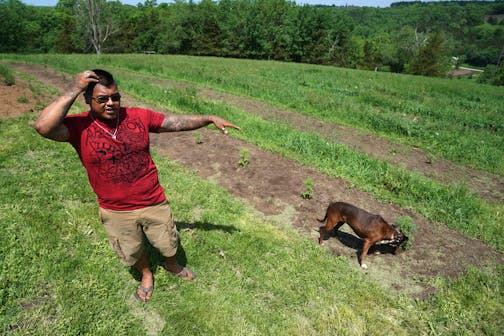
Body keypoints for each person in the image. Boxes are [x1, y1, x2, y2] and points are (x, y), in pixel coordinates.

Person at [34, 69, 240, 303]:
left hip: (153, 200)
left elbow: (174, 123)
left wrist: (208, 118)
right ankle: (146, 275)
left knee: (168, 241)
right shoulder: (78, 126)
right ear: (87, 99)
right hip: (115, 208)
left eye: (116, 97)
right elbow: (43, 126)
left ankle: (171, 264)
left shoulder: (137, 116)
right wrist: (75, 87)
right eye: (102, 99)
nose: (111, 103)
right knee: (132, 249)